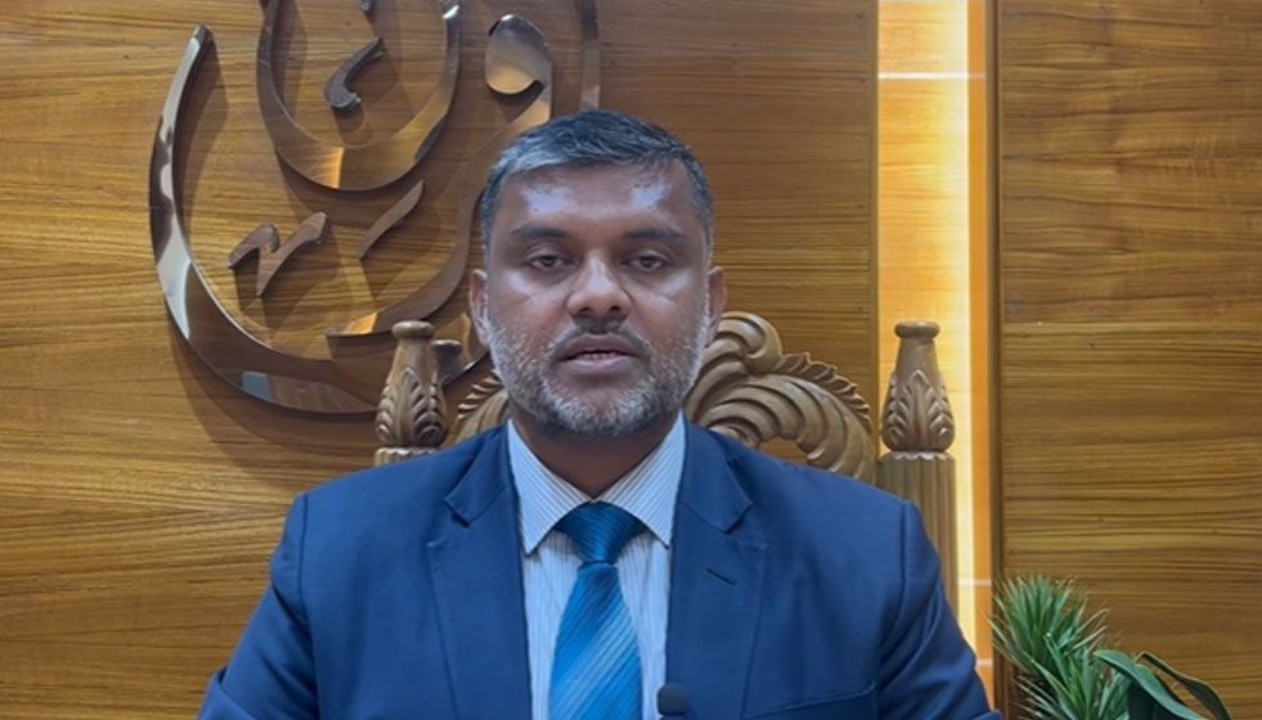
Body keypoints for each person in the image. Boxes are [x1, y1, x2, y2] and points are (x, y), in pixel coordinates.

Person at [199, 109, 997, 720]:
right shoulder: (339, 551)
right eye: (548, 261)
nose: (598, 296)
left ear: (710, 304)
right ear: (482, 308)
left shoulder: (866, 554)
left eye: (647, 260)